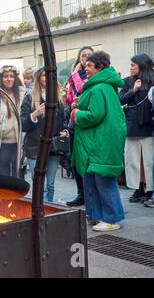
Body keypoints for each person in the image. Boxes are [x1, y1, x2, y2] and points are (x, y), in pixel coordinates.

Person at [71, 51, 126, 231]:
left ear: (100, 67)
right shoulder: (102, 86)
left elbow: (95, 115)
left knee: (103, 181)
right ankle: (95, 216)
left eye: (89, 65)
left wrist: (77, 113)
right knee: (92, 180)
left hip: (100, 142)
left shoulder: (99, 88)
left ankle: (111, 219)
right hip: (97, 142)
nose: (85, 67)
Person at [20, 67, 68, 203]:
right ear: (38, 79)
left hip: (53, 147)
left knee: (50, 184)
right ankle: (41, 212)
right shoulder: (29, 98)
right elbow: (23, 125)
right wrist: (34, 115)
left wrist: (65, 130)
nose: (47, 78)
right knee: (40, 183)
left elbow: (63, 120)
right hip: (35, 147)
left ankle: (49, 209)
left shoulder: (58, 97)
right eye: (43, 76)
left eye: (49, 75)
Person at [119, 54, 154, 203]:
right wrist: (133, 90)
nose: (131, 67)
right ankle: (137, 188)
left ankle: (149, 189)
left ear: (142, 65)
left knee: (148, 160)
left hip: (148, 125)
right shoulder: (127, 81)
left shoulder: (152, 80)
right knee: (132, 159)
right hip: (132, 125)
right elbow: (120, 99)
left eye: (133, 65)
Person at [65, 46, 94, 207]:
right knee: (75, 160)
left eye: (90, 55)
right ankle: (80, 193)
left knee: (87, 160)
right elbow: (70, 99)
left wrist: (75, 75)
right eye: (84, 56)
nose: (87, 58)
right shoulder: (73, 77)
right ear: (80, 59)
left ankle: (89, 194)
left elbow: (83, 89)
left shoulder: (94, 76)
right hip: (74, 121)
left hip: (86, 123)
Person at [0, 65, 26, 176]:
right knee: (3, 178)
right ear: (1, 79)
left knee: (18, 177)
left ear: (16, 78)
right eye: (5, 76)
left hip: (18, 144)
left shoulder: (23, 95)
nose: (9, 79)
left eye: (11, 76)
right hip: (0, 145)